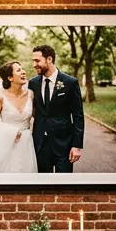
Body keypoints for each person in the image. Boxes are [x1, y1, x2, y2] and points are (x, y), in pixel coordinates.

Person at [28, 44, 84, 173]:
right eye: (33, 61)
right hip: (40, 145)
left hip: (63, 144)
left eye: (37, 61)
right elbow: (31, 111)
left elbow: (78, 115)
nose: (34, 64)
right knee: (43, 186)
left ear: (49, 59)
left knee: (64, 185)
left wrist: (76, 145)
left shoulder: (70, 82)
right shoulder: (33, 83)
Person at [0, 61, 38, 173]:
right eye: (18, 70)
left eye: (22, 69)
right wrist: (10, 132)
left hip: (26, 143)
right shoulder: (0, 98)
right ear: (10, 77)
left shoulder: (31, 94)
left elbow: (36, 115)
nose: (23, 72)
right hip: (7, 142)